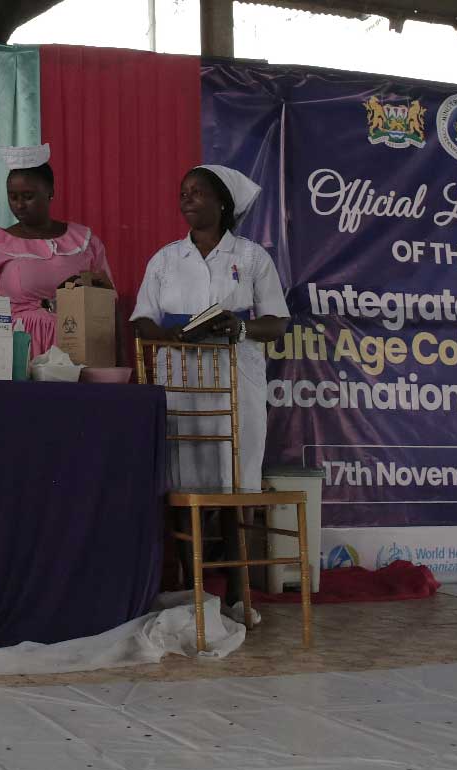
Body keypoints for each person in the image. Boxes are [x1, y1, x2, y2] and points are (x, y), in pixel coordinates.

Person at [132, 165, 289, 611]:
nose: (187, 199)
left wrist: (238, 325)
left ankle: (239, 596)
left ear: (222, 203)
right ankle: (197, 592)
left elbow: (276, 322)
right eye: (183, 192)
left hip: (236, 383)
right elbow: (142, 318)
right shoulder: (164, 259)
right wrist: (168, 336)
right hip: (181, 383)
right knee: (186, 488)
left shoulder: (253, 257)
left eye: (197, 193)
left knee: (235, 489)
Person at [0, 144, 115, 358]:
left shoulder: (84, 241)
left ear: (50, 192)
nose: (19, 205)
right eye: (13, 197)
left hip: (76, 347)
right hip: (16, 352)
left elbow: (105, 301)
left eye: (28, 196)